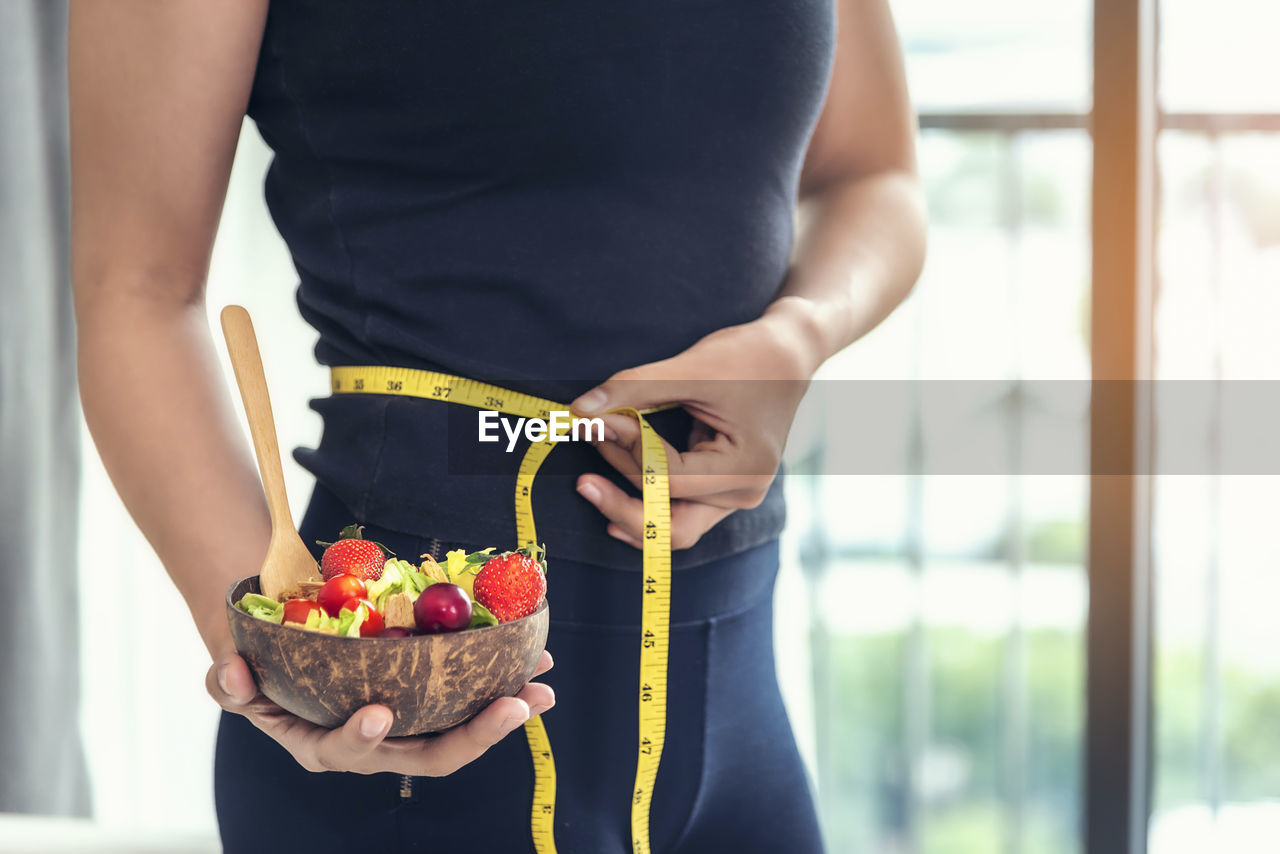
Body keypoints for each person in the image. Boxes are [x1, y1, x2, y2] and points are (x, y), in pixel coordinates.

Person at [69, 1, 925, 851]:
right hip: (410, 727)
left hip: (741, 708)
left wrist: (802, 334)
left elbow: (873, 172)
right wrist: (284, 662)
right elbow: (136, 292)